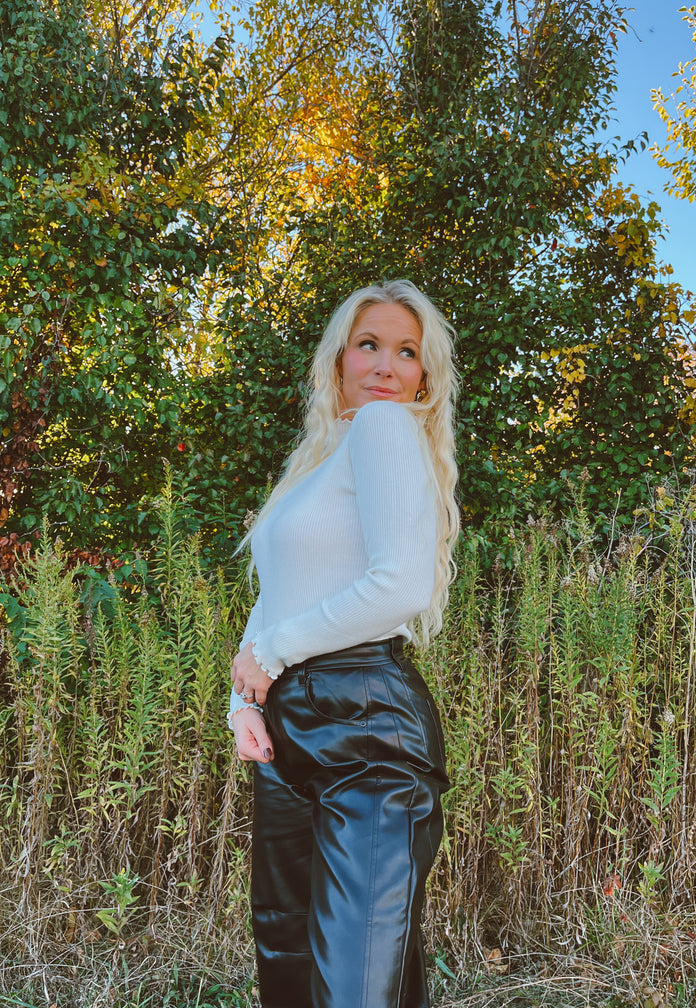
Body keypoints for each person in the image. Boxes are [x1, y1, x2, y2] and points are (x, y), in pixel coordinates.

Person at [227, 279, 460, 1008]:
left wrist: (272, 655)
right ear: (339, 360)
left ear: (424, 377)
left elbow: (401, 587)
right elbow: (279, 593)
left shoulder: (385, 428)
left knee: (352, 982)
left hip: (365, 723)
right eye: (369, 345)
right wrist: (243, 703)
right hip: (290, 728)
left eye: (407, 352)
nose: (386, 366)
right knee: (289, 960)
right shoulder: (319, 464)